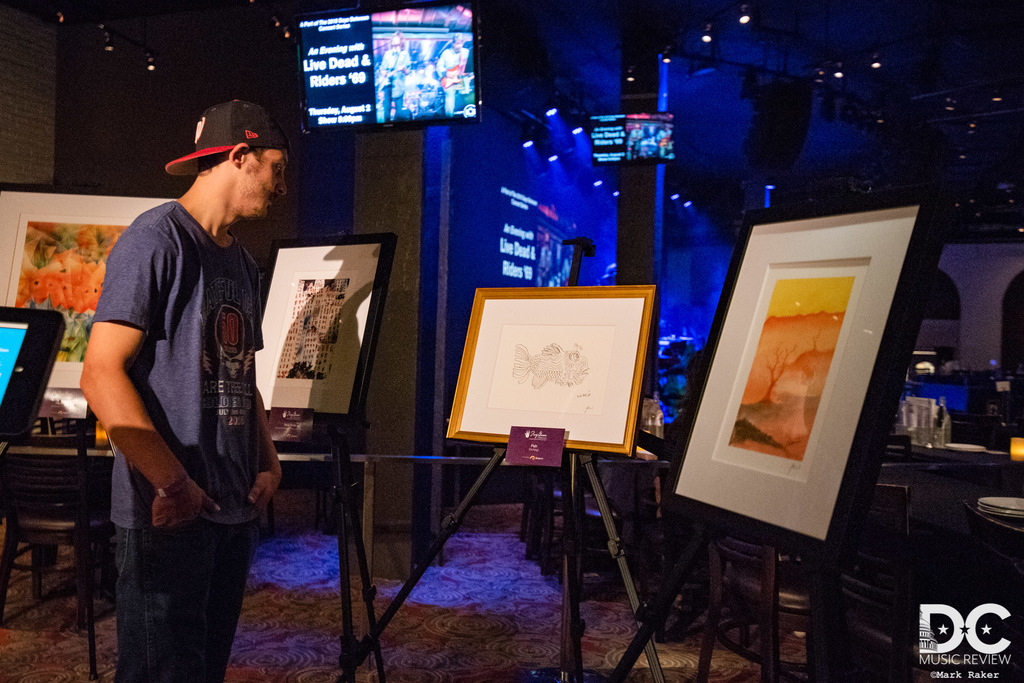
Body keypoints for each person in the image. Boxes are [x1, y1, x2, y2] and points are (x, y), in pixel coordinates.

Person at [80, 99, 286, 682]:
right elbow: (100, 373)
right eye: (276, 167)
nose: (281, 186)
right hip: (168, 515)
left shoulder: (242, 263)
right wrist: (173, 483)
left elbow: (241, 375)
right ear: (241, 157)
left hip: (229, 510)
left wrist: (268, 463)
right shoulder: (156, 239)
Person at [378, 30, 411, 122]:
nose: (393, 39)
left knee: (399, 112)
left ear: (400, 40)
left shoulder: (405, 54)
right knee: (387, 110)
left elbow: (408, 72)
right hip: (388, 85)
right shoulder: (387, 54)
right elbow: (382, 68)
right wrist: (383, 71)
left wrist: (403, 69)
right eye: (393, 37)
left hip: (399, 86)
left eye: (396, 37)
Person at [436, 33, 470, 117]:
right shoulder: (446, 53)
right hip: (450, 81)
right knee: (450, 99)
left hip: (462, 80)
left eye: (461, 43)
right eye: (457, 43)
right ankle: (449, 118)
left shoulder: (466, 52)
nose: (459, 46)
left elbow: (469, 66)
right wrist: (446, 73)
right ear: (453, 44)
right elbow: (438, 66)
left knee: (467, 98)